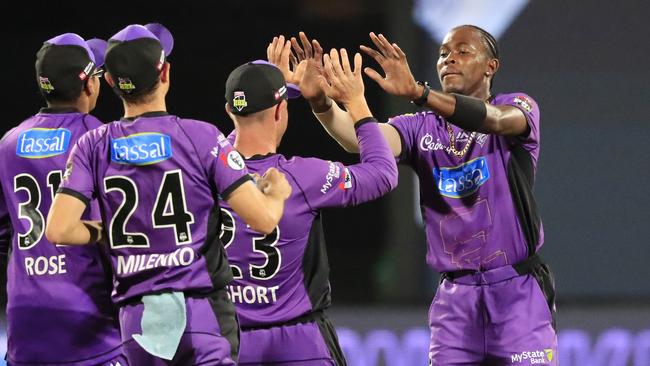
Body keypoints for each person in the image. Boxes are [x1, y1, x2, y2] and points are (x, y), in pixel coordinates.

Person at [299, 26, 557, 365]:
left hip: (518, 292)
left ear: (491, 66)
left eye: (463, 51)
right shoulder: (420, 127)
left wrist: (421, 93)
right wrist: (321, 103)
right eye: (443, 53)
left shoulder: (519, 106)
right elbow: (357, 138)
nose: (449, 58)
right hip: (456, 300)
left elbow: (494, 120)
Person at [45, 23, 291, 365]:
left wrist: (105, 233)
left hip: (138, 321)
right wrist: (276, 193)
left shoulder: (93, 145)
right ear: (166, 72)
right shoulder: (201, 137)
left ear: (112, 82)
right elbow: (263, 220)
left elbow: (58, 230)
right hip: (202, 315)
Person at [219, 36, 397, 365]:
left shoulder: (206, 170)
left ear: (230, 110)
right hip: (298, 342)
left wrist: (278, 84)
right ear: (280, 110)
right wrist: (356, 103)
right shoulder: (303, 177)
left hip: (230, 341)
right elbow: (383, 173)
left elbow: (233, 143)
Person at [0, 33, 127, 366]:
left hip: (25, 326)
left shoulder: (8, 142)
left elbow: (2, 236)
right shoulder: (100, 137)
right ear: (88, 86)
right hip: (91, 324)